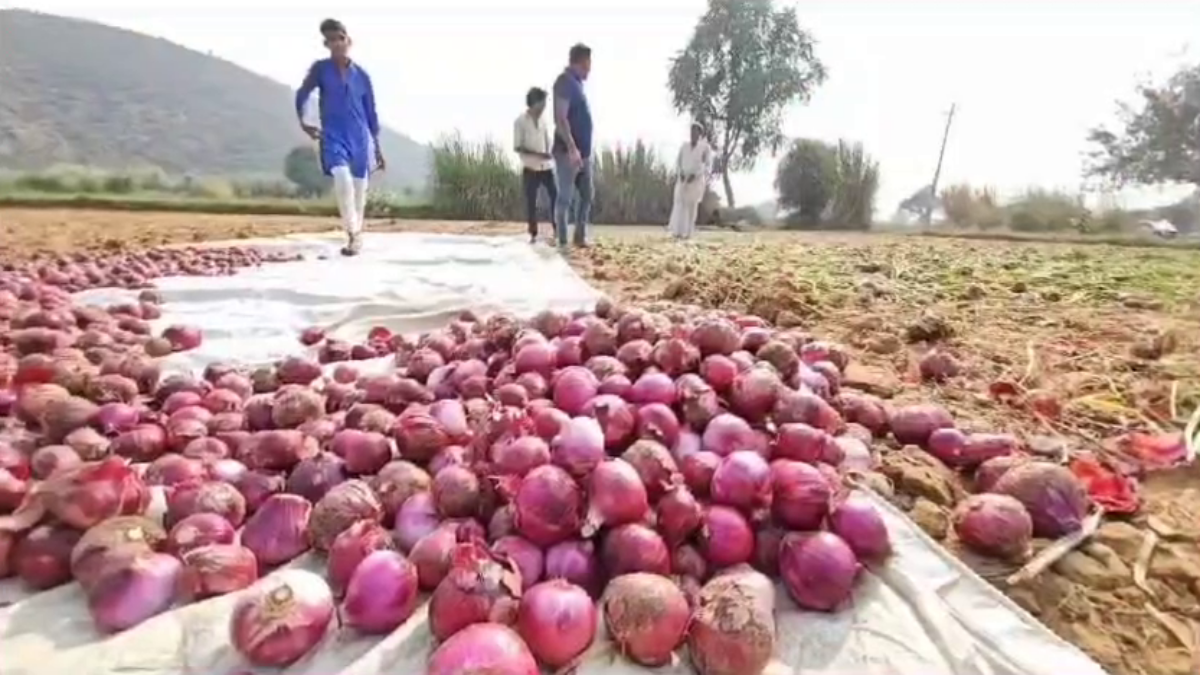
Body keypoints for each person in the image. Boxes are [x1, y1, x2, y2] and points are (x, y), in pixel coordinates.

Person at [294, 18, 385, 256]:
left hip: (360, 138)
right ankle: (352, 233)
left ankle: (356, 238)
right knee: (342, 179)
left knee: (359, 192)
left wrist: (377, 147)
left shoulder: (362, 76)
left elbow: (371, 113)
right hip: (333, 135)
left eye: (339, 39)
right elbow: (302, 94)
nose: (336, 44)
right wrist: (304, 122)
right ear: (326, 44)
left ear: (348, 41)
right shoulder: (320, 69)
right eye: (330, 40)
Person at [551, 43, 594, 251]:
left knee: (586, 194)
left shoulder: (577, 85)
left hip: (583, 154)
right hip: (567, 152)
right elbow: (560, 118)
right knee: (565, 197)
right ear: (581, 62)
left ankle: (579, 236)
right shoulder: (564, 82)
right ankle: (562, 241)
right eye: (588, 63)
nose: (590, 68)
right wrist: (572, 148)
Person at [513, 87, 557, 244]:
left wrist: (550, 153)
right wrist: (538, 155)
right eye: (542, 103)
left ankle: (558, 229)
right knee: (531, 201)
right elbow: (518, 147)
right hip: (530, 167)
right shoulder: (520, 122)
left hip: (546, 167)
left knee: (555, 196)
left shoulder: (544, 121)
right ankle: (533, 233)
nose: (544, 106)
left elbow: (547, 141)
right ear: (535, 103)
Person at [666, 122, 713, 241]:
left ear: (700, 134)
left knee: (691, 206)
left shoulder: (704, 148)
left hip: (696, 182)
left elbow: (707, 165)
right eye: (692, 132)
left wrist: (696, 175)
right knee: (679, 204)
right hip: (682, 180)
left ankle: (688, 232)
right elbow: (678, 162)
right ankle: (677, 231)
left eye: (696, 132)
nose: (693, 134)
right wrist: (680, 173)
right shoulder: (684, 146)